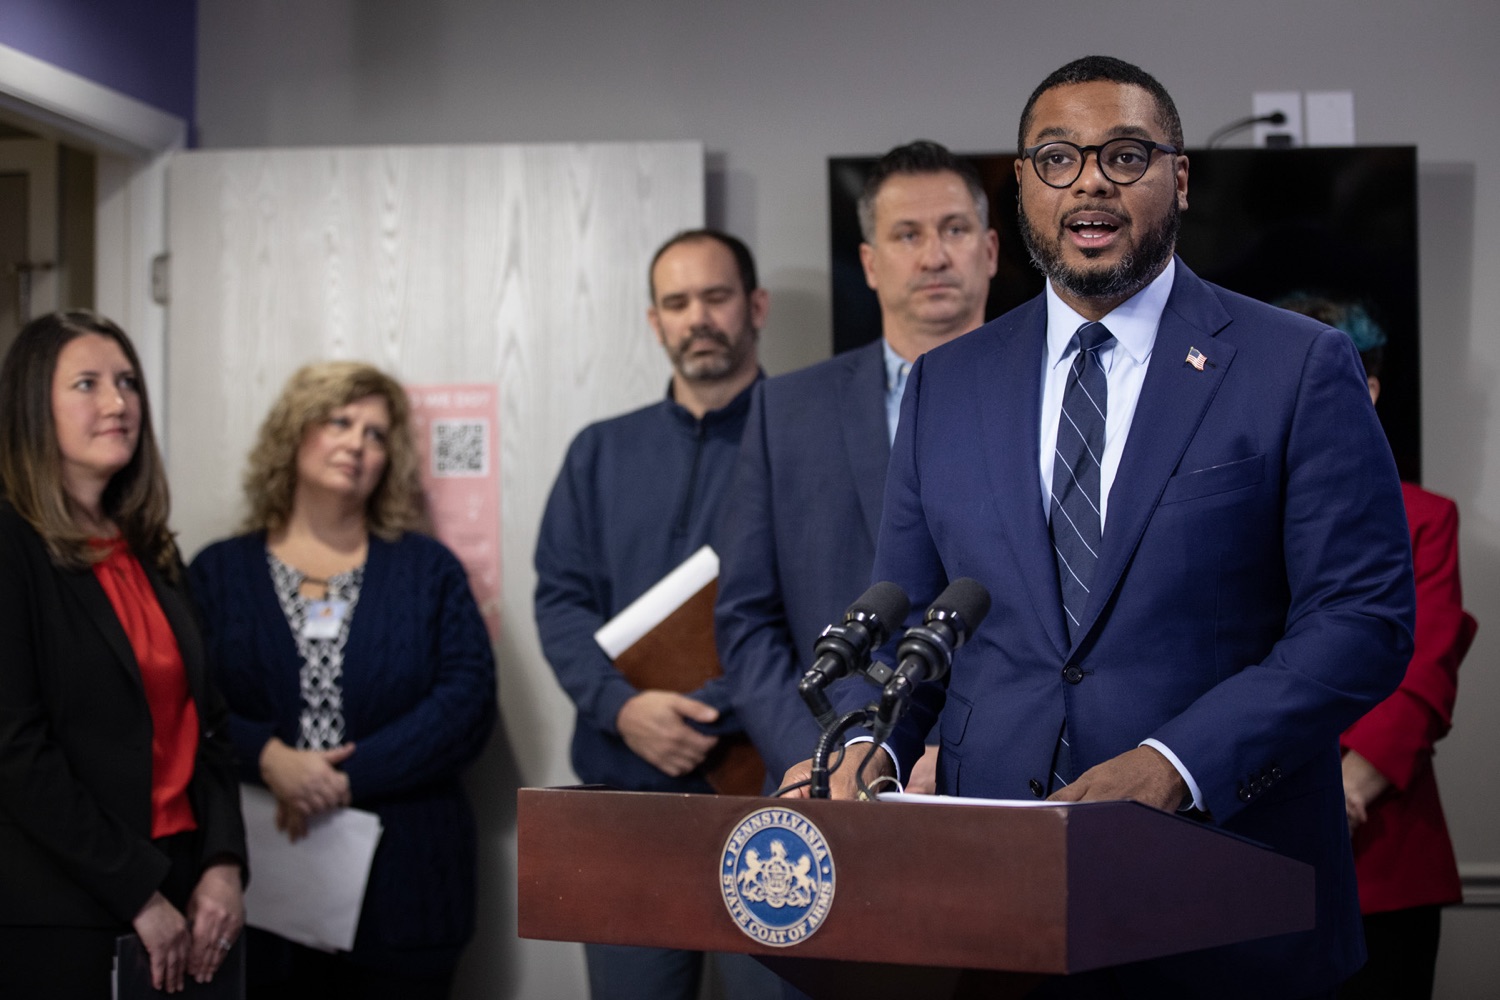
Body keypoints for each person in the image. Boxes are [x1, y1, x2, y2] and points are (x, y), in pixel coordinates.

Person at [786, 56, 1415, 999]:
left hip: (1229, 904)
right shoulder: (946, 387)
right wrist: (869, 740)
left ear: (1181, 178)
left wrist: (1175, 765)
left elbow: (1362, 621)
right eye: (1056, 158)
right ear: (1024, 191)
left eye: (1126, 155)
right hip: (998, 913)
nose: (1090, 179)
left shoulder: (1297, 365)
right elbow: (919, 622)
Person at [189, 360, 496, 999]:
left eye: (377, 434)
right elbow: (190, 704)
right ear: (295, 433)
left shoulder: (427, 569)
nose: (358, 443)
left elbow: (466, 703)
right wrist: (269, 758)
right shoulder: (219, 572)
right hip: (265, 895)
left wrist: (336, 780)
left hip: (409, 891)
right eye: (340, 421)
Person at [534, 229, 781, 1000]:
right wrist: (624, 709)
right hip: (622, 802)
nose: (697, 318)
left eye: (715, 296)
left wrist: (714, 712)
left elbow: (826, 610)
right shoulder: (597, 453)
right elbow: (559, 598)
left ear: (756, 307)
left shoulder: (806, 440)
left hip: (763, 796)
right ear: (654, 322)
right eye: (677, 303)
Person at [715, 140, 997, 789]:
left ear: (989, 251)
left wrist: (956, 753)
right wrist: (839, 751)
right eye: (907, 234)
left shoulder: (1062, 400)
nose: (933, 255)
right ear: (869, 263)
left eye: (954, 229)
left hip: (1012, 773)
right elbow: (747, 620)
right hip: (829, 780)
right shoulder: (784, 411)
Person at [0, 310, 247, 997]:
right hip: (63, 910)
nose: (117, 403)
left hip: (187, 894)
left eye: (128, 382)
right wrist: (136, 892)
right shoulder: (12, 545)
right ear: (31, 406)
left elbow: (212, 730)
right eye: (87, 384)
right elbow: (16, 752)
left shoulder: (151, 548)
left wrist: (224, 864)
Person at [1278, 295, 1475, 1000]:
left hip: (1384, 855)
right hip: (1246, 847)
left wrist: (1346, 791)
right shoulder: (1223, 517)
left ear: (1370, 390)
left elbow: (1424, 669)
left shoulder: (1425, 518)